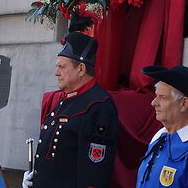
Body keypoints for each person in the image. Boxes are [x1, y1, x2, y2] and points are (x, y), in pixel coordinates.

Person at [23, 14, 118, 188]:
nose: (56, 72)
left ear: (81, 69)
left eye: (62, 66)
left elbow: (94, 173)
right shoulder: (64, 100)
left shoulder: (98, 106)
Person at [136, 65, 188, 188]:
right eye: (156, 96)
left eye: (163, 97)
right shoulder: (159, 136)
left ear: (183, 104)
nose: (154, 103)